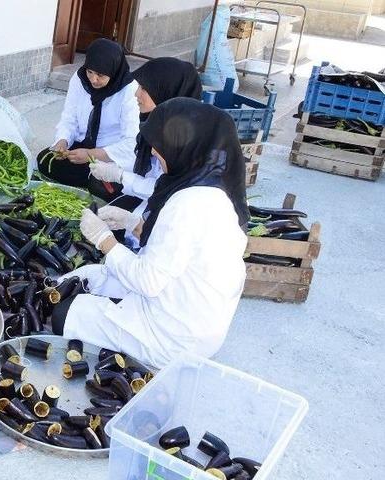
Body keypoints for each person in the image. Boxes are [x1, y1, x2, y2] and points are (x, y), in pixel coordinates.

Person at [51, 99, 250, 368]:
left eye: (161, 146)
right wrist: (132, 222)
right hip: (192, 312)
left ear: (186, 148)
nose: (155, 151)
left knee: (63, 315)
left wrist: (103, 240)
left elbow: (147, 281)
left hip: (173, 336)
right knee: (87, 276)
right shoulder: (215, 192)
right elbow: (177, 249)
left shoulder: (187, 204)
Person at [88, 57, 203, 214]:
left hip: (174, 211)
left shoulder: (183, 137)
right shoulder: (158, 121)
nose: (136, 93)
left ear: (164, 91)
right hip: (151, 195)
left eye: (143, 88)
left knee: (114, 228)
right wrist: (115, 169)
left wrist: (121, 176)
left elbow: (166, 189)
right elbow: (148, 169)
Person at [36, 39, 139, 203]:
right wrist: (62, 142)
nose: (93, 79)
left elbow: (131, 142)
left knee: (99, 185)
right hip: (83, 146)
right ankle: (87, 177)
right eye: (90, 72)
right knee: (45, 160)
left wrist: (92, 154)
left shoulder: (129, 90)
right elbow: (69, 118)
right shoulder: (79, 80)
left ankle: (93, 180)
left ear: (114, 71)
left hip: (111, 154)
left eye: (101, 75)